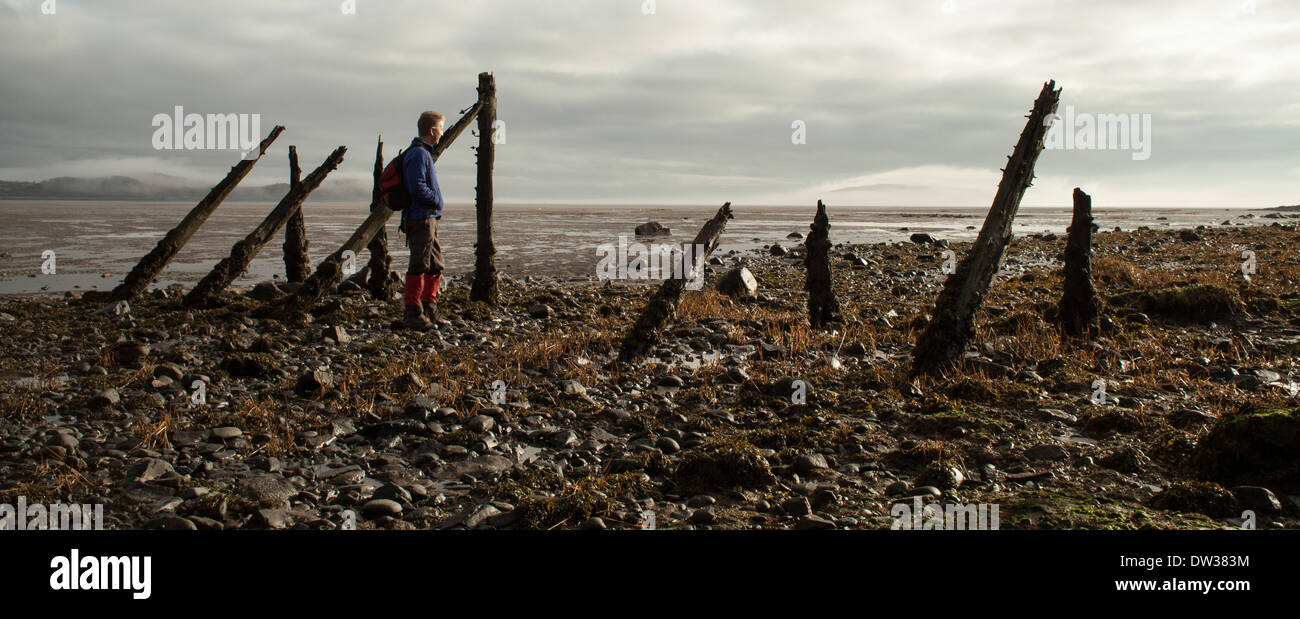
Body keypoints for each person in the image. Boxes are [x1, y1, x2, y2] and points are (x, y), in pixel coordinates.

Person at [401, 110, 448, 331]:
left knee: (436, 264)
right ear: (431, 130)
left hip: (429, 217)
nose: (442, 133)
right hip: (420, 217)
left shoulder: (425, 153)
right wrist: (435, 201)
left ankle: (430, 306)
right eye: (440, 128)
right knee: (419, 264)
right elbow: (416, 186)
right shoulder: (418, 154)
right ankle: (412, 312)